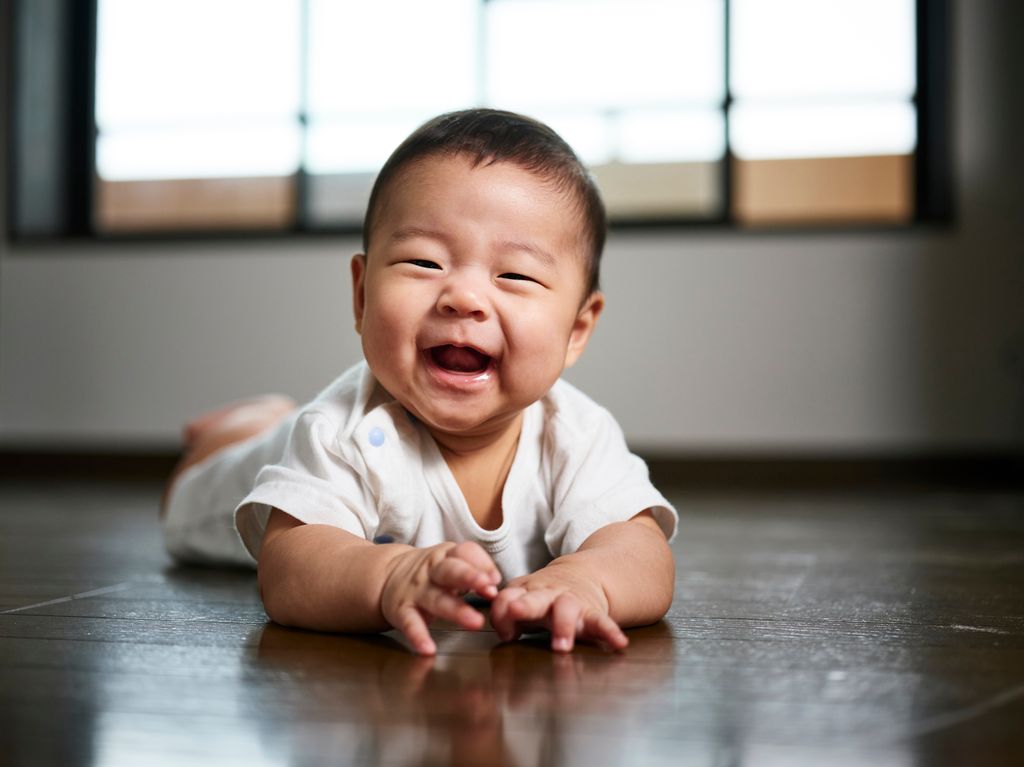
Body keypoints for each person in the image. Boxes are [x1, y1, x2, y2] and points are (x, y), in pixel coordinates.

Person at [162, 108, 677, 655]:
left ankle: (269, 416)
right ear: (362, 295)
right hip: (237, 486)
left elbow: (640, 549)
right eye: (425, 262)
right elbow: (289, 569)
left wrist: (586, 580)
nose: (464, 297)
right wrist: (389, 576)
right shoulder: (339, 431)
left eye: (515, 274)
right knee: (187, 498)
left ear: (576, 330)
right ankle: (239, 429)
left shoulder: (576, 434)